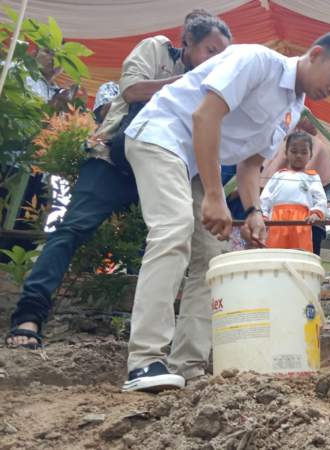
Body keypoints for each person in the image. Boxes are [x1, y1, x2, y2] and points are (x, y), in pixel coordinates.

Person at [121, 31, 330, 392]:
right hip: (161, 136)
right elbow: (205, 116)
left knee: (212, 255)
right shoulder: (256, 61)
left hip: (194, 162)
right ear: (315, 54)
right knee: (174, 228)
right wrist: (214, 195)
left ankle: (187, 366)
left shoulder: (293, 108)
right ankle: (144, 360)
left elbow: (251, 165)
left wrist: (253, 211)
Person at [5, 12, 232, 350]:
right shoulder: (156, 49)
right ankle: (30, 315)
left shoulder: (214, 89)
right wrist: (191, 84)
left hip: (170, 168)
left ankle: (171, 345)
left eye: (222, 56)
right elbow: (131, 90)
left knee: (187, 245)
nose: (216, 61)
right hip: (115, 158)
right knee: (73, 229)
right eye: (211, 51)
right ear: (187, 43)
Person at [261, 117, 330, 254]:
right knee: (274, 254)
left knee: (301, 255)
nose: (298, 156)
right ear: (286, 153)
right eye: (294, 151)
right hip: (277, 220)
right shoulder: (278, 175)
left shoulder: (313, 177)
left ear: (310, 155)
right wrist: (264, 215)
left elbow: (321, 198)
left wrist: (316, 213)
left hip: (302, 222)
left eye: (303, 152)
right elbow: (265, 197)